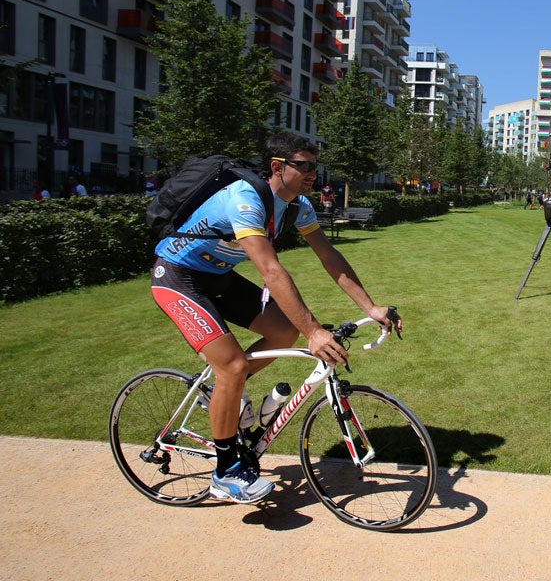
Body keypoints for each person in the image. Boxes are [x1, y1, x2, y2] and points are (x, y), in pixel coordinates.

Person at [149, 131, 400, 504]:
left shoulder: (299, 205)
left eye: (316, 167)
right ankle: (224, 474)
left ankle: (225, 395)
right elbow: (270, 270)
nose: (314, 174)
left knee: (283, 333)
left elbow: (329, 257)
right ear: (277, 167)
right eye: (305, 166)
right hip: (178, 277)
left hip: (216, 277)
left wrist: (371, 307)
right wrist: (313, 330)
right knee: (233, 366)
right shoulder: (245, 199)